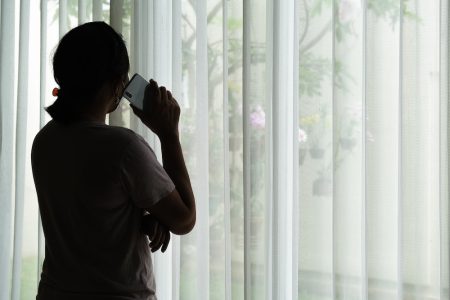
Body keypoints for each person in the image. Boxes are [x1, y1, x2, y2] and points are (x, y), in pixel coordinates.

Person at [31, 22, 196, 300]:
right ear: (118, 84)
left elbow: (92, 214)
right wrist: (169, 135)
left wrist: (142, 218)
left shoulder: (44, 141)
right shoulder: (124, 149)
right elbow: (184, 219)